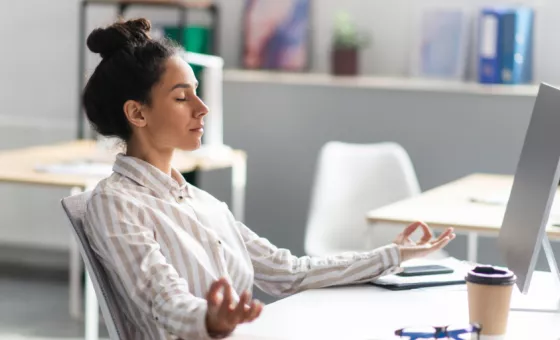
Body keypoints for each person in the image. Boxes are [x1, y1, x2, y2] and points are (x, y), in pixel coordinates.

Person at [82, 18, 456, 340]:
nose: (203, 107)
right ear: (137, 113)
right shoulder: (116, 202)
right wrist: (209, 319)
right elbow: (160, 299)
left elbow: (288, 272)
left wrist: (393, 255)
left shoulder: (199, 202)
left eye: (197, 92)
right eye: (183, 98)